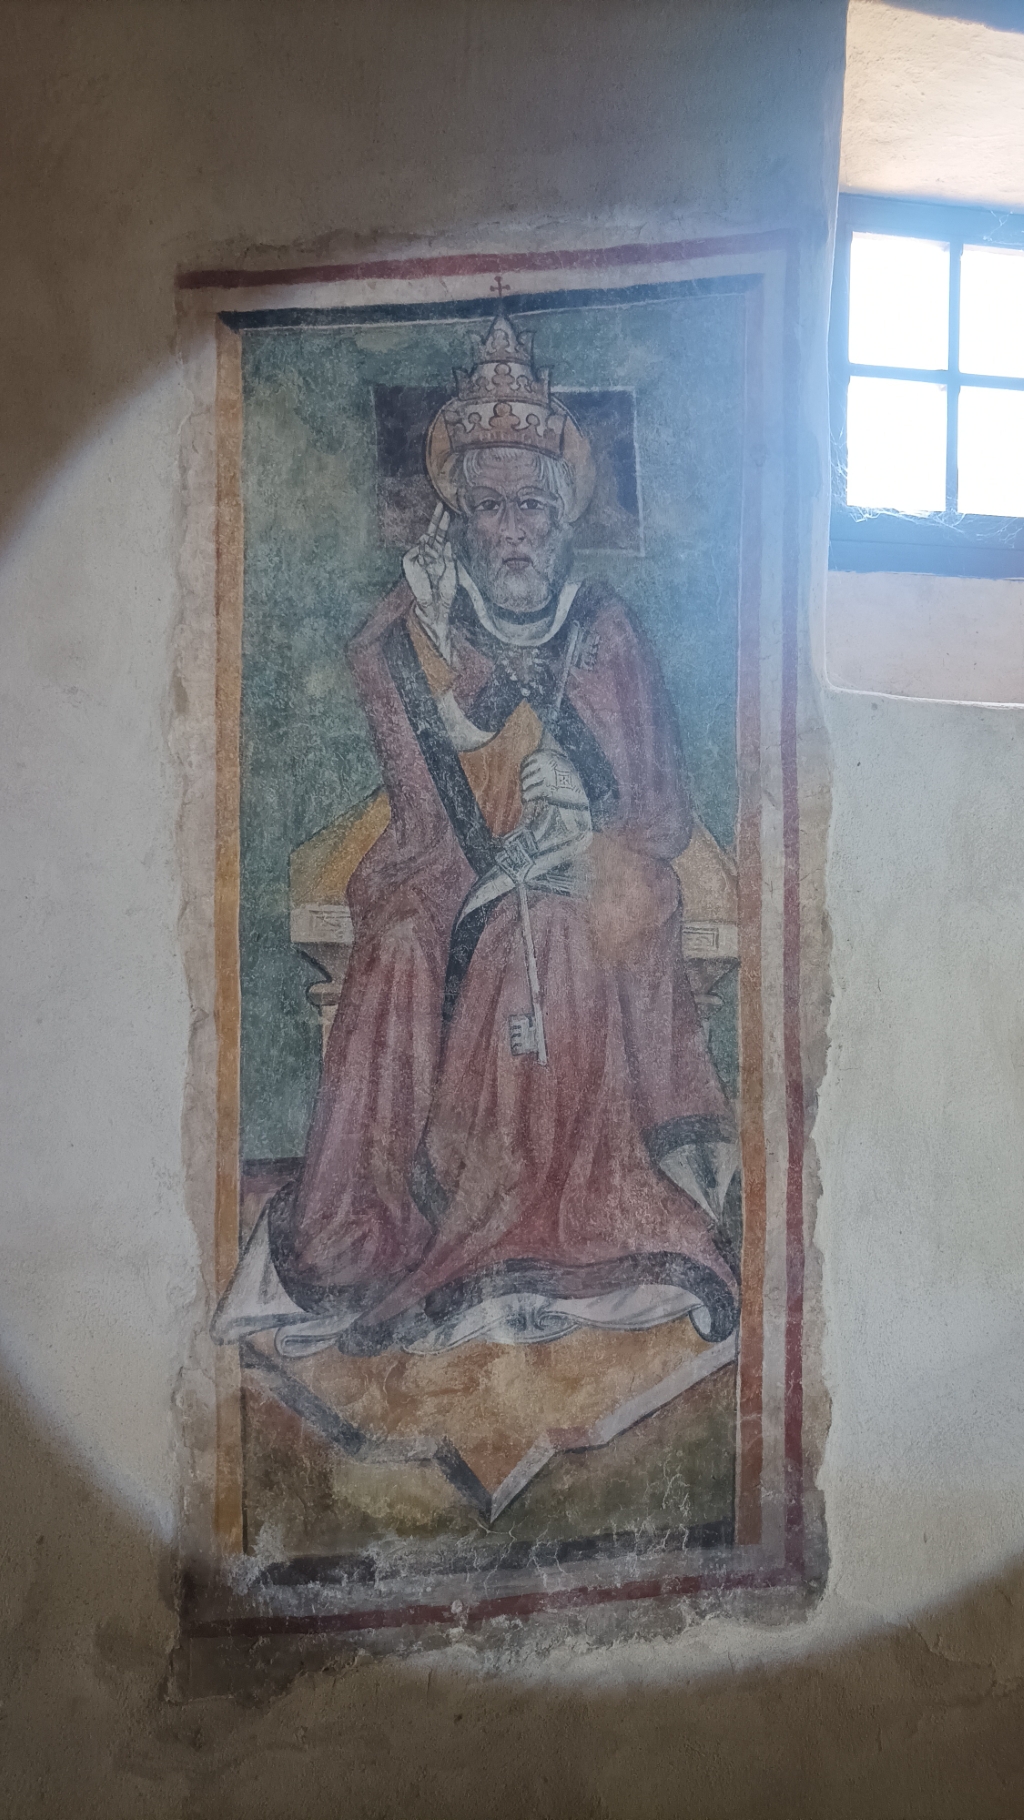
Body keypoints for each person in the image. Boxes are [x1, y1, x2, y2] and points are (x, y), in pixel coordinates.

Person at [214, 313, 739, 1359]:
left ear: (561, 517)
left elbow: (660, 806)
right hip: (451, 864)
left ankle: (538, 1223)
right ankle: (385, 1223)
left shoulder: (606, 626)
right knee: (401, 946)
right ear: (459, 518)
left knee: (548, 940)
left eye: (531, 508)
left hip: (582, 872)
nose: (513, 531)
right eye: (490, 507)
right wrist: (429, 628)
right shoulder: (423, 623)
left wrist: (586, 794)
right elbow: (425, 788)